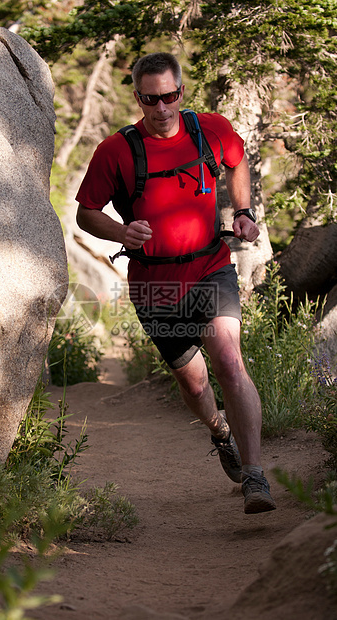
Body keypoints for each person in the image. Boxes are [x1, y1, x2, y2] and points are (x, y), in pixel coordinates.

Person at [76, 52, 276, 515]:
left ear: (181, 92)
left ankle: (255, 476)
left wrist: (243, 212)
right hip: (154, 284)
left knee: (228, 360)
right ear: (138, 98)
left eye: (170, 96)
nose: (162, 108)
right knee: (193, 380)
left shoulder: (210, 129)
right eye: (151, 99)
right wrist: (121, 232)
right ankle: (219, 431)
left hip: (210, 267)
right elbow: (87, 212)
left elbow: (238, 160)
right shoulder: (117, 150)